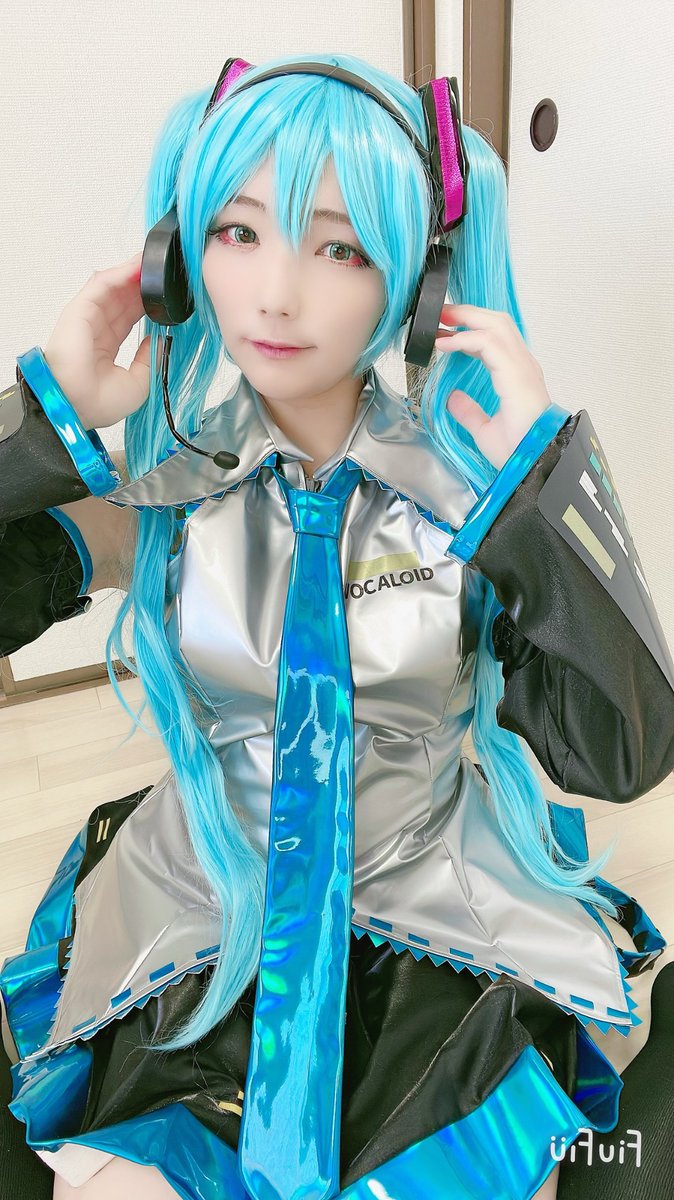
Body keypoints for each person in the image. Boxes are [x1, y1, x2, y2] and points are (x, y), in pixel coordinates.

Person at [0, 50, 673, 1200]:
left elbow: (620, 750)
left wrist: (540, 486)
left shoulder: (471, 503)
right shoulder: (163, 491)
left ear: (418, 284)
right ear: (177, 260)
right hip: (202, 906)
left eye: (340, 249)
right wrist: (40, 422)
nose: (274, 294)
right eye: (237, 232)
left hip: (433, 906)